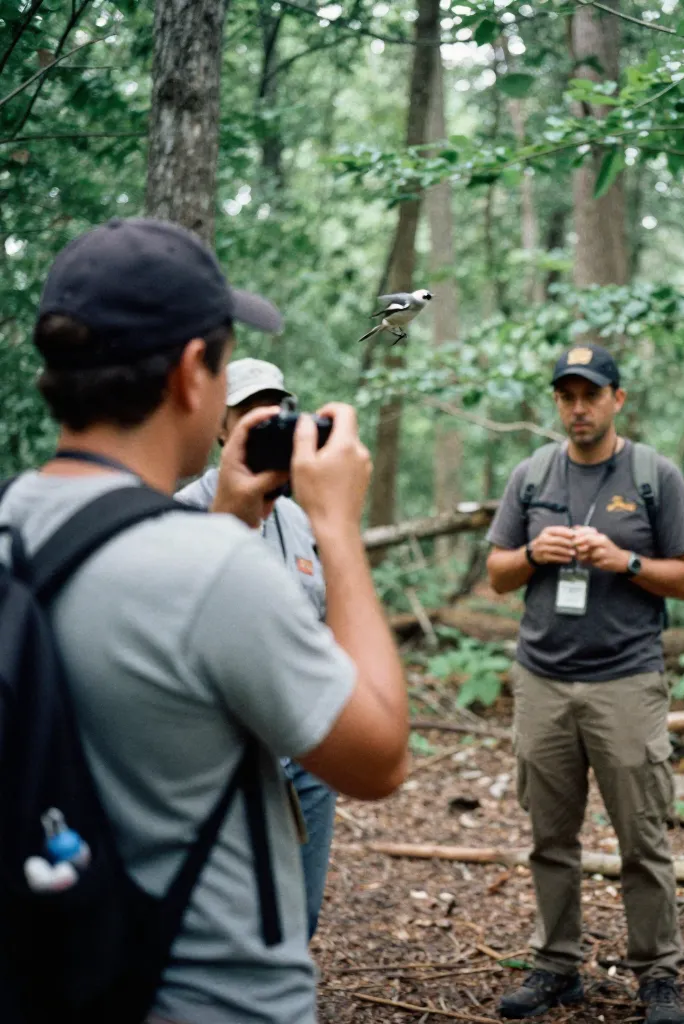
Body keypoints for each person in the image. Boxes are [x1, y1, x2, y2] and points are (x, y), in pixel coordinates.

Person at [0, 217, 408, 1023]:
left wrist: (225, 518)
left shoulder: (15, 524)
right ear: (194, 377)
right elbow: (378, 758)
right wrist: (338, 529)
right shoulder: (212, 573)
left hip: (57, 972)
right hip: (210, 998)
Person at [486, 343, 684, 1024]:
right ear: (557, 402)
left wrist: (626, 559)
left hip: (626, 680)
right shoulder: (531, 475)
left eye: (591, 395)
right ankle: (556, 964)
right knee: (550, 837)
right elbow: (496, 573)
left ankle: (658, 974)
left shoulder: (652, 476)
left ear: (617, 399)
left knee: (642, 838)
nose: (578, 409)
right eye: (566, 396)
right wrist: (532, 553)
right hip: (543, 680)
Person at [176, 357, 335, 940]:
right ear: (221, 428)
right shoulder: (183, 512)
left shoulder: (299, 517)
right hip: (228, 754)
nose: (266, 421)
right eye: (248, 412)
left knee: (302, 913)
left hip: (305, 749)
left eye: (276, 411)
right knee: (235, 918)